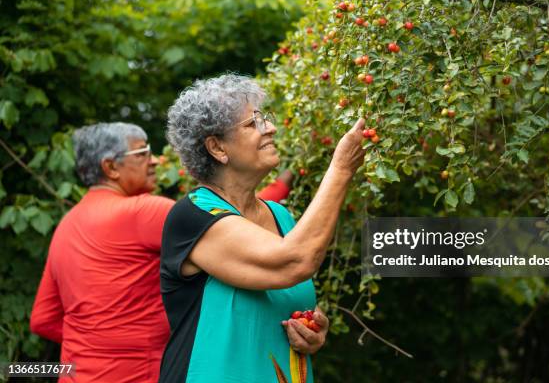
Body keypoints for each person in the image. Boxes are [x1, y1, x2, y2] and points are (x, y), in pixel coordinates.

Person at [30, 122, 295, 383]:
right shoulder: (142, 212)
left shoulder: (66, 225)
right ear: (110, 167)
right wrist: (285, 182)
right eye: (142, 153)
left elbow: (42, 320)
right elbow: (231, 227)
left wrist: (96, 347)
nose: (155, 160)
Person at [160, 74, 365, 382]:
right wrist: (340, 169)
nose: (270, 127)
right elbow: (296, 261)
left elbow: (287, 298)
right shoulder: (192, 217)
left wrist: (313, 328)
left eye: (264, 118)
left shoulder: (280, 216)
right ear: (217, 148)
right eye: (252, 123)